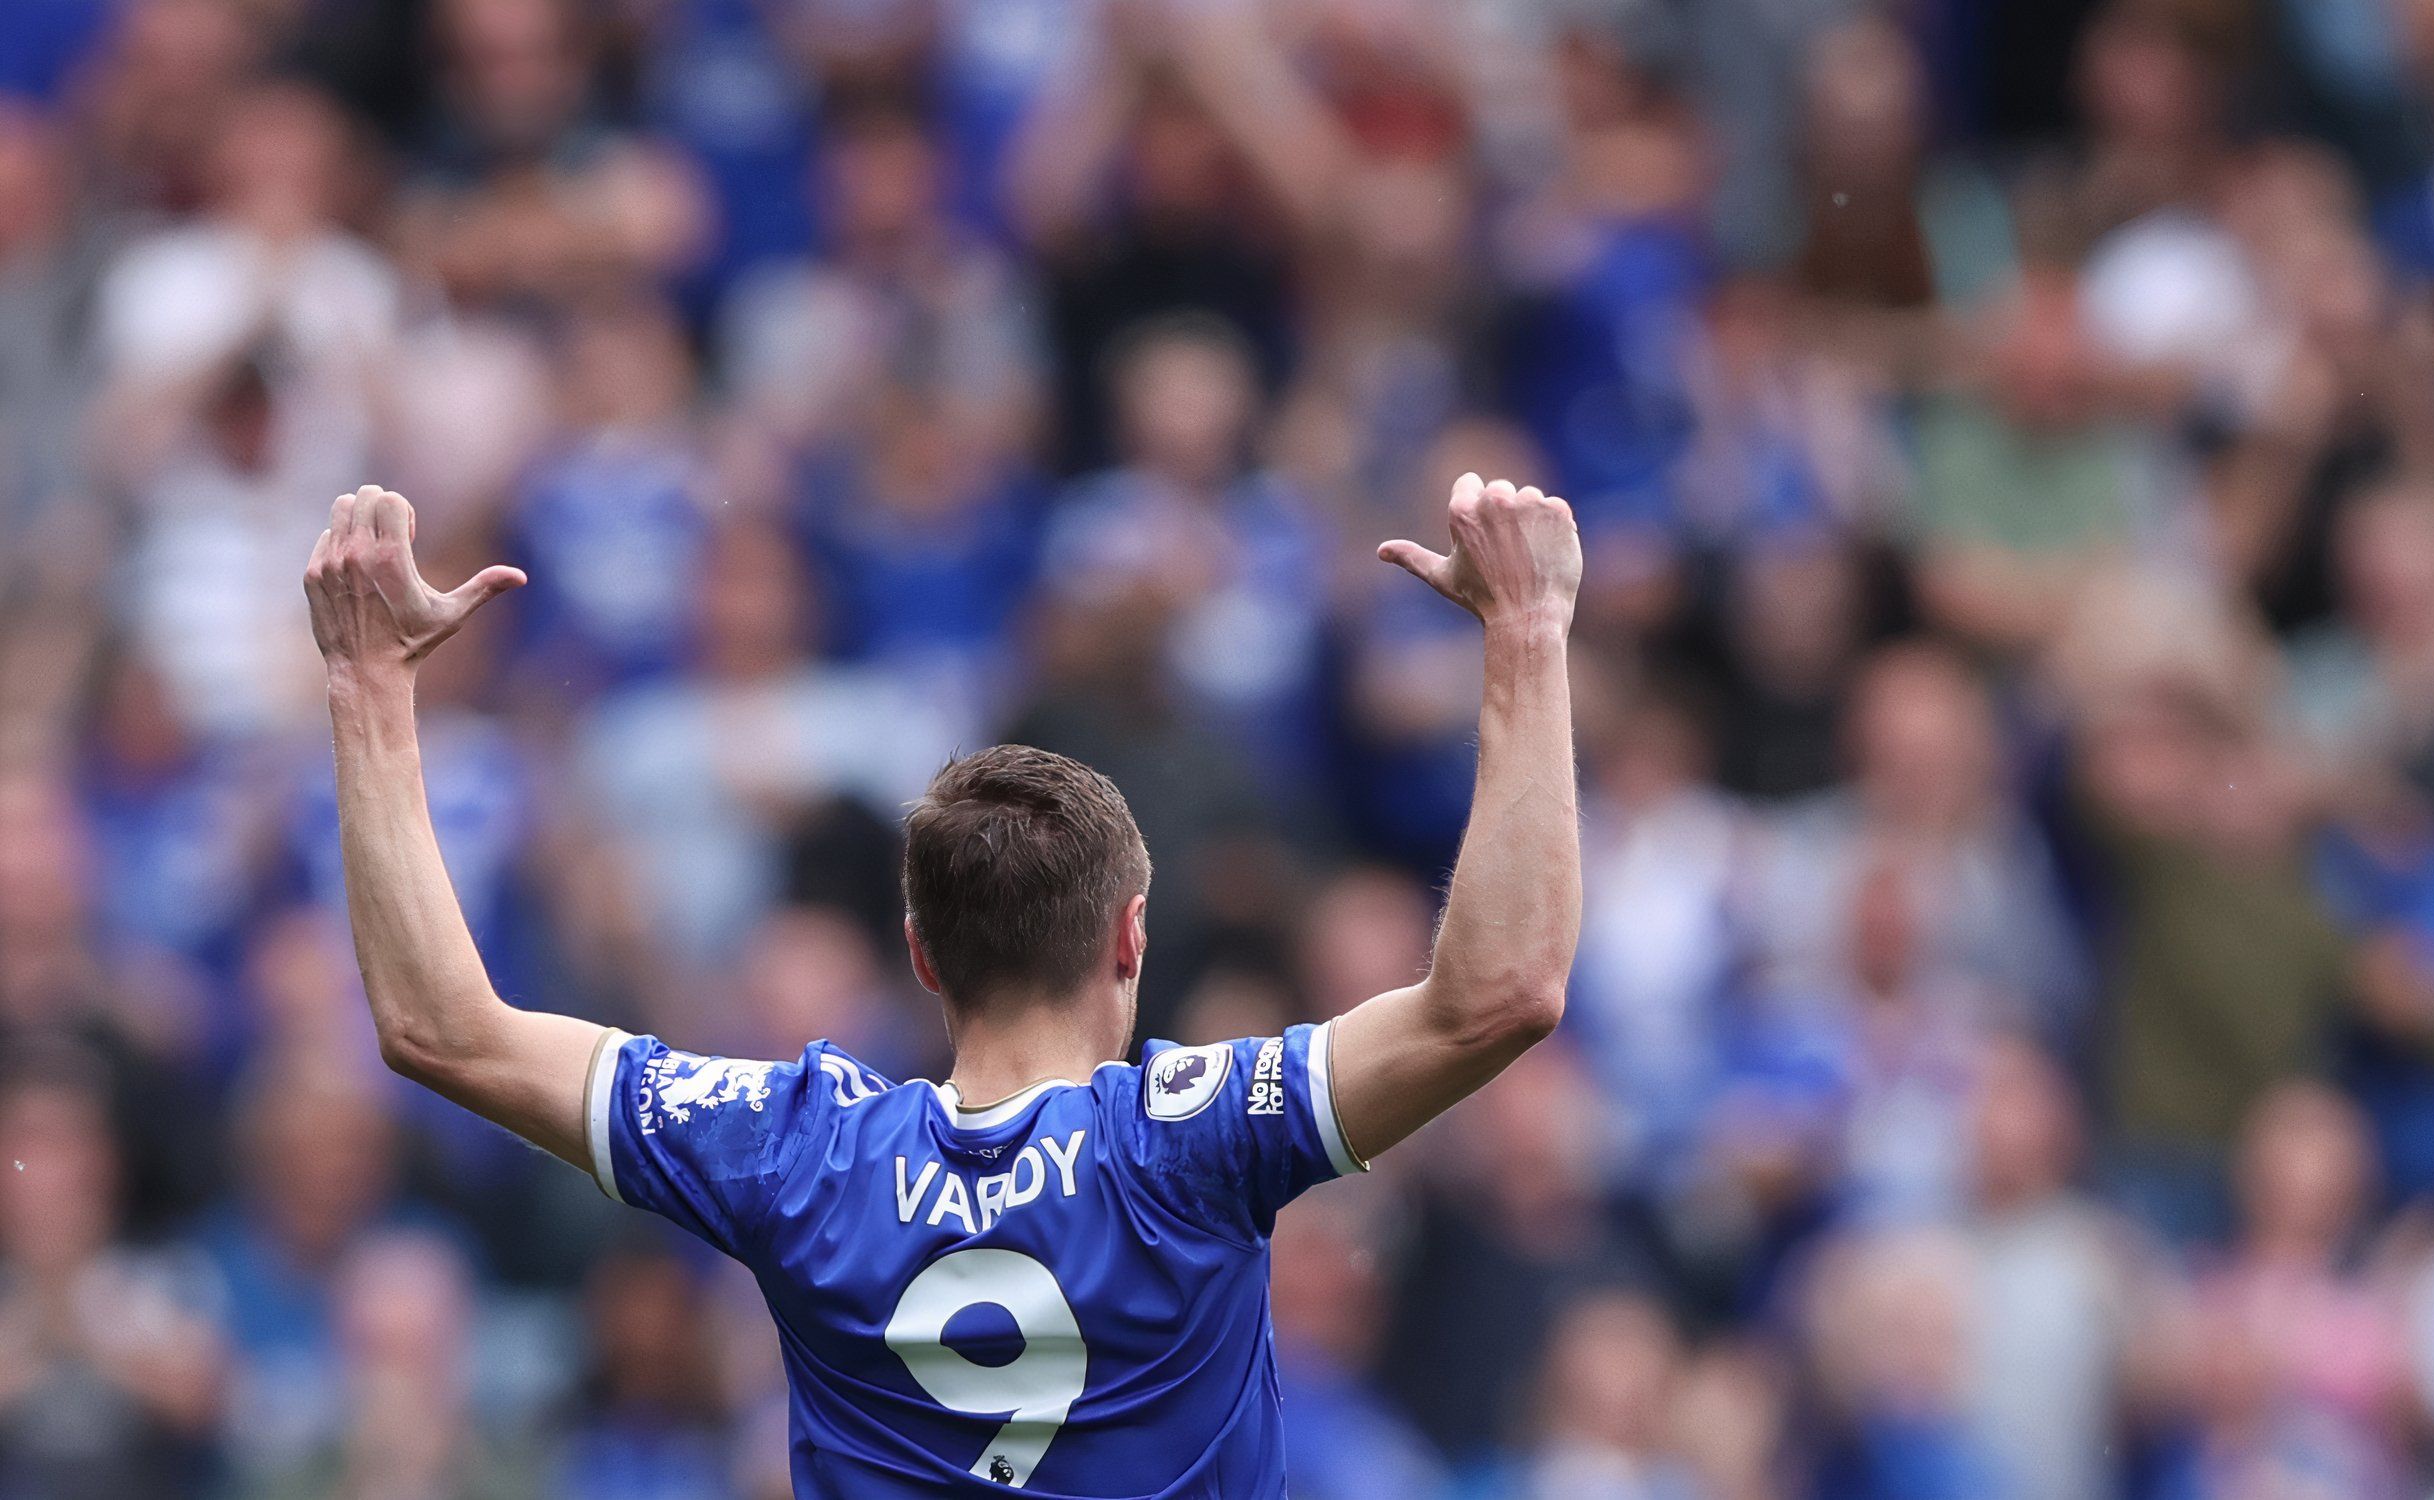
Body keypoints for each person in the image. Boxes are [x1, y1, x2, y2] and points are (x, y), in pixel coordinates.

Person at [297, 471, 1586, 1496]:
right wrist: (1526, 634)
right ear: (1129, 939)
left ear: (922, 955)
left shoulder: (797, 1152)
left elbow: (440, 1031)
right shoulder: (1195, 1138)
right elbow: (1503, 992)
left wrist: (366, 684)